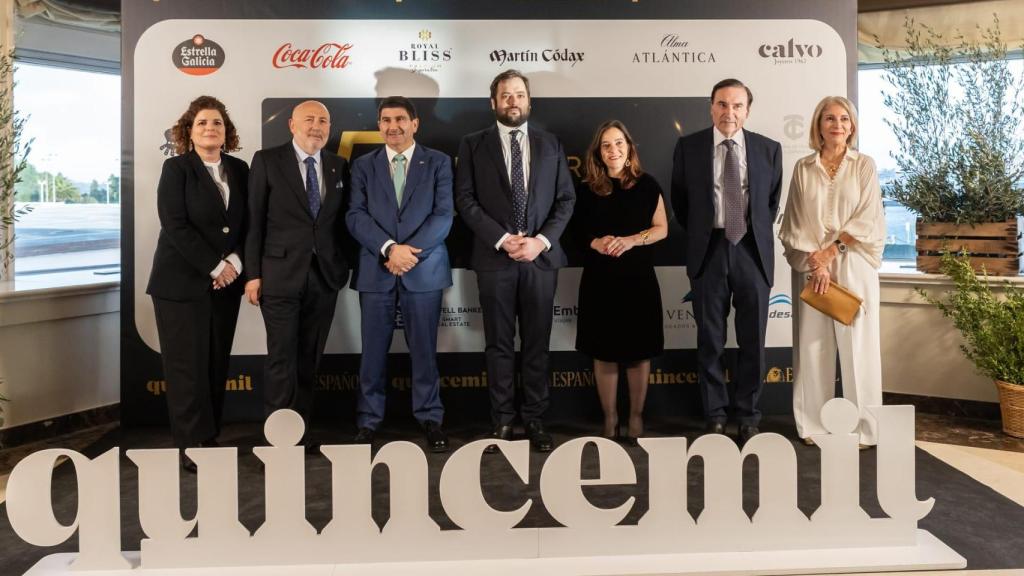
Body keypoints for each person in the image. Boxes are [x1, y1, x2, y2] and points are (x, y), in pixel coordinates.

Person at [454, 69, 575, 453]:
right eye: (506, 95)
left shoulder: (551, 143)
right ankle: (503, 421)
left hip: (540, 260)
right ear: (493, 102)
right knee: (499, 345)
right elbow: (465, 200)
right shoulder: (472, 144)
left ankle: (535, 419)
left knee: (537, 344)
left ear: (529, 101)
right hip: (495, 260)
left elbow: (565, 200)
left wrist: (540, 242)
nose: (513, 101)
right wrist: (504, 240)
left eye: (519, 94)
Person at [671, 78, 782, 444]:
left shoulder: (769, 149)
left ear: (747, 110)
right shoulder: (689, 147)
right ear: (711, 107)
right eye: (722, 104)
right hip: (710, 250)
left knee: (753, 341)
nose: (729, 112)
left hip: (752, 251)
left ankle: (748, 416)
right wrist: (707, 233)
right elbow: (681, 203)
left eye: (737, 105)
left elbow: (770, 203)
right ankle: (715, 415)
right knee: (710, 340)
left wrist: (748, 231)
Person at [346, 96, 454, 452]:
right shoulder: (363, 165)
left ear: (415, 123)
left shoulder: (438, 162)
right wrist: (390, 249)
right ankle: (368, 421)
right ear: (379, 125)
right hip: (377, 268)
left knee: (424, 351)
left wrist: (408, 253)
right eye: (386, 120)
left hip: (423, 270)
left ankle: (430, 418)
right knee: (372, 353)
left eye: (400, 119)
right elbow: (355, 215)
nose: (393, 126)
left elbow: (443, 215)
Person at [147, 95, 248, 473]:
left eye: (217, 122)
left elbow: (250, 222)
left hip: (227, 283)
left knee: (215, 364)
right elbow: (175, 225)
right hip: (180, 285)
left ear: (227, 131)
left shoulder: (240, 169)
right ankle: (190, 444)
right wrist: (214, 266)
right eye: (202, 122)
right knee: (187, 368)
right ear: (189, 131)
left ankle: (210, 437)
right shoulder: (177, 169)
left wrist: (235, 263)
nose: (210, 128)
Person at [244, 100, 352, 449]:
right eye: (309, 119)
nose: (316, 126)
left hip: (324, 277)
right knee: (281, 359)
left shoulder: (337, 165)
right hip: (278, 276)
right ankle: (278, 440)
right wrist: (252, 274)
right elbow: (253, 221)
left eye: (323, 120)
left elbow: (340, 224)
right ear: (292, 125)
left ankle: (300, 433)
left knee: (309, 358)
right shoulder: (266, 160)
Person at [779, 96, 886, 448]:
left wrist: (831, 252)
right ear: (818, 125)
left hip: (854, 261)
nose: (837, 125)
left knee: (858, 347)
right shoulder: (803, 167)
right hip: (811, 265)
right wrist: (818, 262)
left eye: (844, 119)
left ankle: (865, 429)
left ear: (852, 126)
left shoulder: (864, 165)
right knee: (812, 346)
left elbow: (867, 216)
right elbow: (795, 219)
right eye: (829, 118)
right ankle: (813, 424)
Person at [574, 120, 668, 443]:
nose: (613, 150)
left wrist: (631, 240)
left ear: (629, 147)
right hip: (599, 282)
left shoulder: (648, 185)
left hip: (638, 281)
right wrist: (595, 243)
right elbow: (575, 233)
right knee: (604, 353)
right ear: (598, 152)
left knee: (639, 353)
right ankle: (610, 418)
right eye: (606, 145)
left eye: (618, 143)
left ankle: (636, 417)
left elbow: (662, 229)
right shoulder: (585, 189)